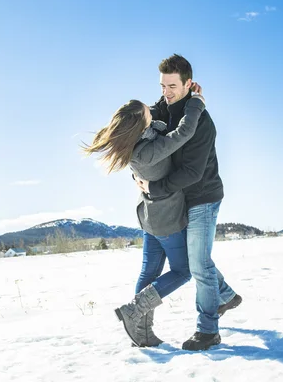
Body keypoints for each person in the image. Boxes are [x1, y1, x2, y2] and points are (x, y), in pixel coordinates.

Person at [82, 90, 206, 347]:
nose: (152, 110)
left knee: (149, 274)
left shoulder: (140, 140)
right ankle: (133, 312)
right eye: (147, 111)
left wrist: (169, 95)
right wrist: (195, 104)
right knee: (183, 271)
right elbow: (183, 133)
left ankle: (142, 332)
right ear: (141, 122)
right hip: (166, 219)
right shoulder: (147, 150)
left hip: (150, 216)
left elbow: (153, 123)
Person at [135, 54, 242, 351]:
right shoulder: (165, 108)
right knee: (196, 260)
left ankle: (208, 331)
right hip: (177, 197)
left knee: (198, 264)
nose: (165, 92)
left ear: (187, 84)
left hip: (201, 197)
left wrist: (154, 187)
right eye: (162, 85)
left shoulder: (202, 123)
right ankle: (226, 295)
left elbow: (192, 173)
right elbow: (145, 115)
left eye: (172, 86)